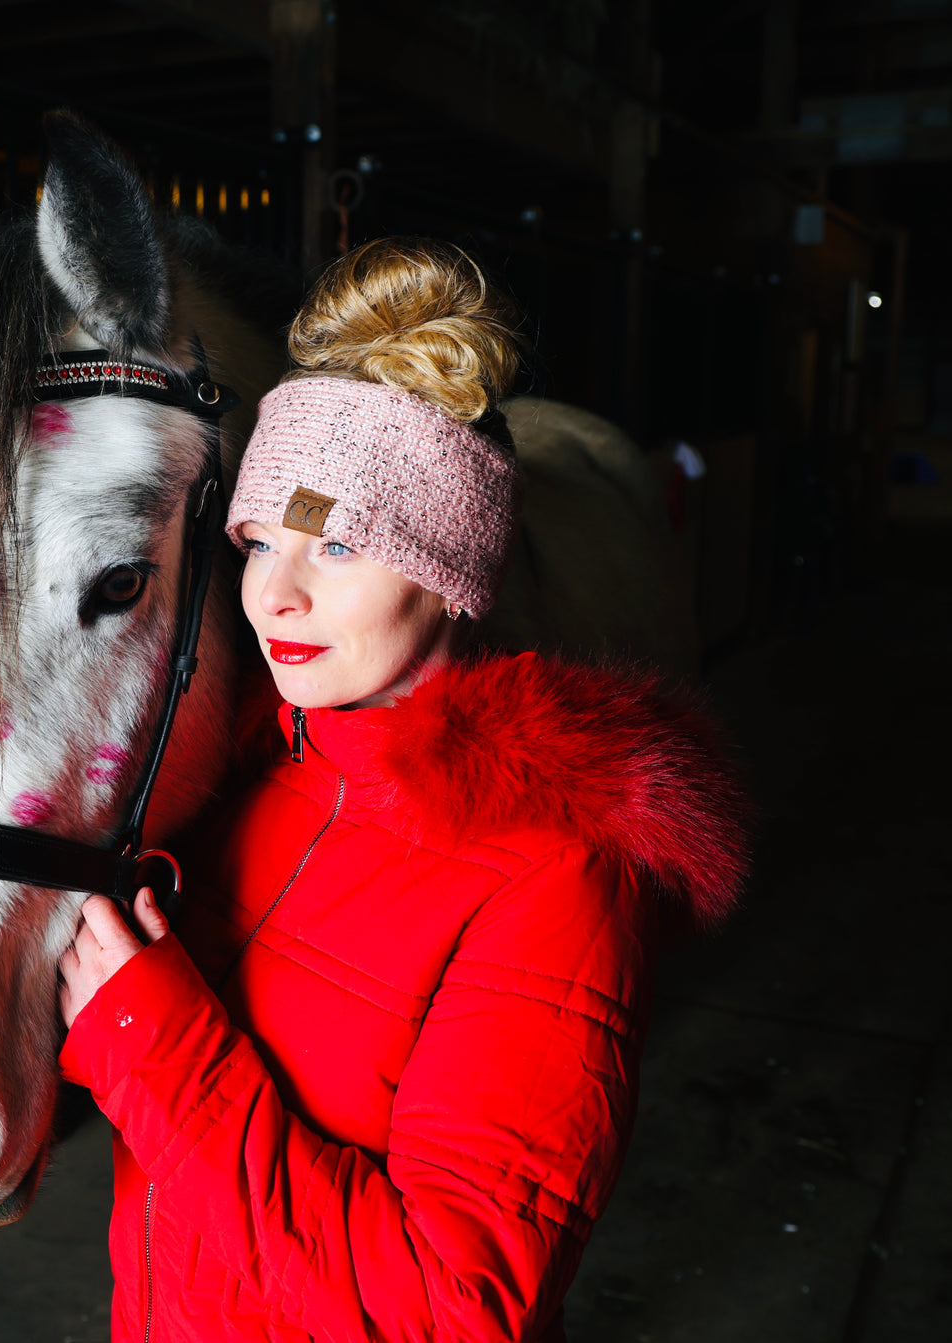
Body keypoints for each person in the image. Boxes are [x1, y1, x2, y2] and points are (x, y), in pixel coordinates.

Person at [57, 237, 748, 1343]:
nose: (270, 594)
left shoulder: (554, 876)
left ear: (446, 565)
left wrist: (146, 1035)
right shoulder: (244, 775)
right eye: (254, 540)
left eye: (332, 546)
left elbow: (454, 1307)